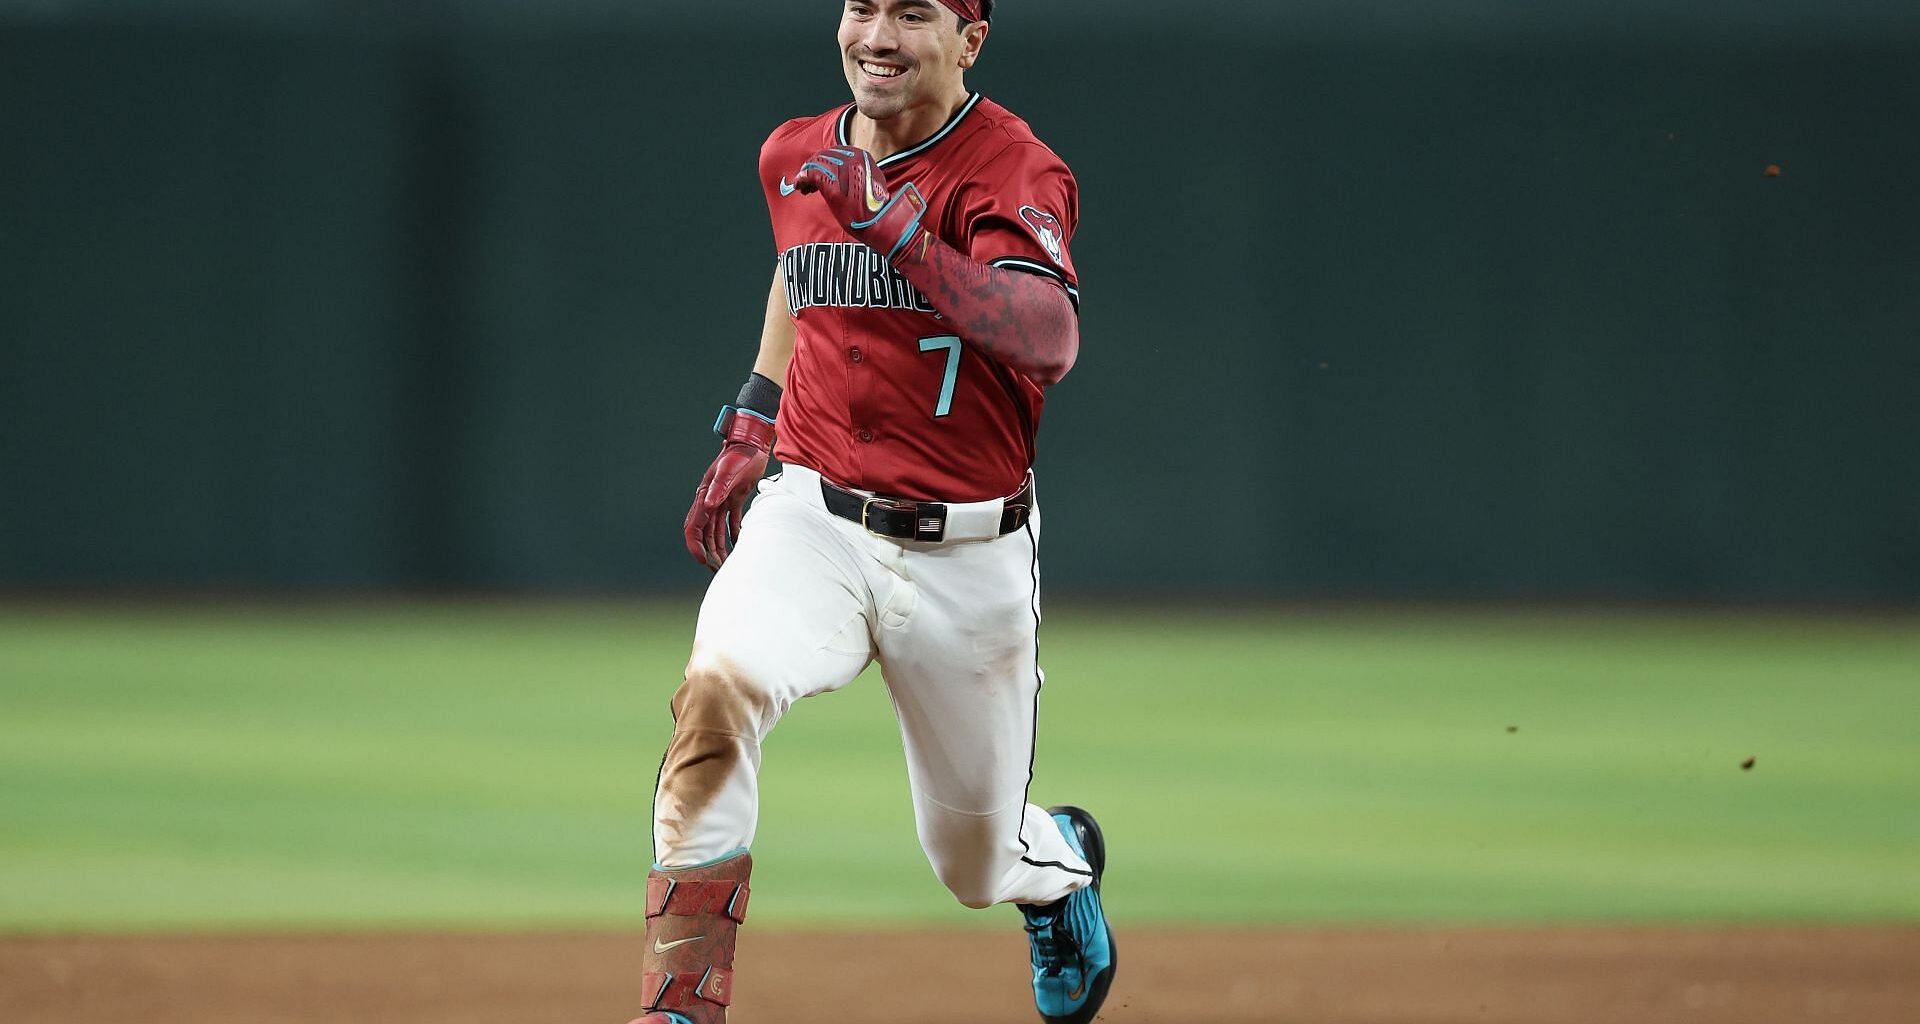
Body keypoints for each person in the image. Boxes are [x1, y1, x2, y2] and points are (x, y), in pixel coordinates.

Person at [629, 2, 1113, 1022]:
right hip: (812, 514)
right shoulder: (797, 154)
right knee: (717, 694)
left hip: (967, 553)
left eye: (913, 13)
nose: (877, 35)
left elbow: (1046, 335)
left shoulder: (1013, 170)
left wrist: (894, 222)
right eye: (861, 8)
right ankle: (680, 1007)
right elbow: (800, 263)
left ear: (970, 40)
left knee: (976, 863)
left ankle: (1062, 865)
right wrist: (757, 413)